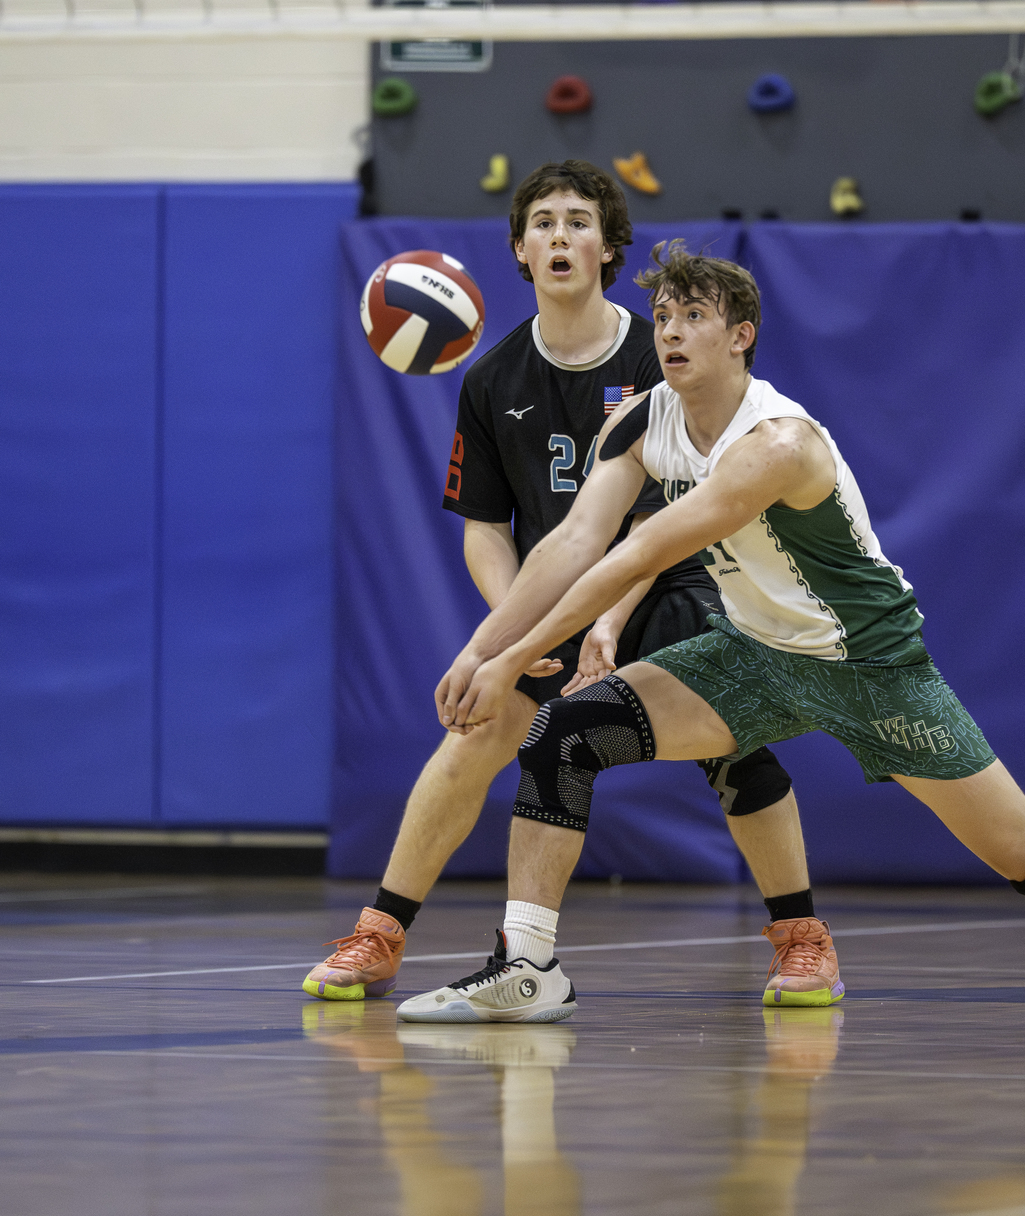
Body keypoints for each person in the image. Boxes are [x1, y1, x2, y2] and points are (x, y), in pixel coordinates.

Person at [395, 241, 1025, 1029]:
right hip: (751, 656)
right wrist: (485, 648)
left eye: (694, 316)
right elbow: (575, 541)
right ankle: (529, 968)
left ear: (740, 333)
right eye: (662, 314)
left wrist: (510, 656)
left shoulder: (775, 445)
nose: (668, 331)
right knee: (564, 733)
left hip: (870, 669)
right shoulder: (642, 420)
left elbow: (640, 557)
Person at [304, 164, 843, 1013]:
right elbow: (485, 526)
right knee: (475, 729)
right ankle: (380, 932)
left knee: (732, 742)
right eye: (544, 223)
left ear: (608, 247)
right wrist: (517, 628)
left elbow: (665, 521)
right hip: (558, 599)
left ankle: (802, 939)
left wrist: (599, 614)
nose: (561, 235)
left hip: (676, 584)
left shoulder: (660, 349)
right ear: (519, 250)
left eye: (579, 221)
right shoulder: (491, 379)